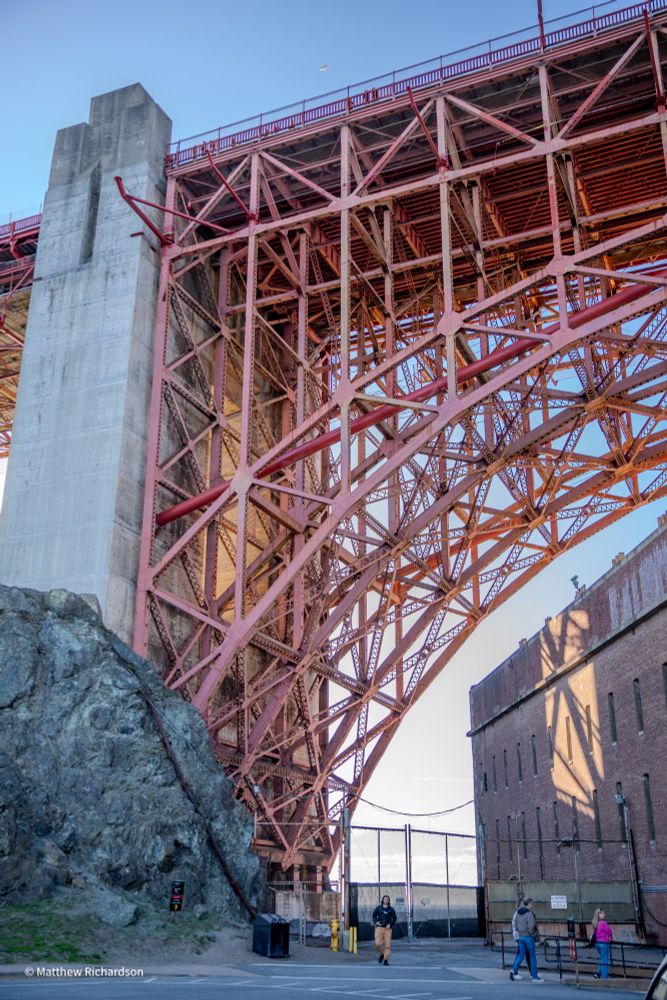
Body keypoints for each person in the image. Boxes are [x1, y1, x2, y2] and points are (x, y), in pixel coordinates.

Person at [510, 897, 545, 983]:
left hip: (520, 936)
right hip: (528, 937)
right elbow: (532, 926)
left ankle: (513, 970)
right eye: (531, 904)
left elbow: (516, 924)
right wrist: (531, 934)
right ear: (528, 904)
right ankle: (534, 977)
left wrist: (519, 933)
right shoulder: (529, 914)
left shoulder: (518, 913)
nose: (532, 906)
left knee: (520, 955)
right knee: (532, 957)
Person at [371, 894, 397, 966]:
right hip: (379, 928)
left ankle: (386, 959)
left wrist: (390, 924)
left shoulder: (391, 909)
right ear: (382, 900)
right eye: (385, 899)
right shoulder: (378, 908)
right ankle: (382, 954)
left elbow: (394, 918)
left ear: (389, 901)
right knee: (377, 944)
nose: (386, 900)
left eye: (387, 899)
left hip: (388, 929)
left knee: (387, 945)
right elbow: (373, 915)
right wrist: (376, 922)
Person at [591, 908, 613, 979]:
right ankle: (605, 978)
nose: (604, 914)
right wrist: (610, 936)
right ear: (599, 915)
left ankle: (597, 974)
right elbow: (609, 931)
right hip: (604, 943)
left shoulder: (595, 923)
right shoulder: (603, 923)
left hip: (597, 944)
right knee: (605, 961)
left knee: (603, 959)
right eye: (603, 913)